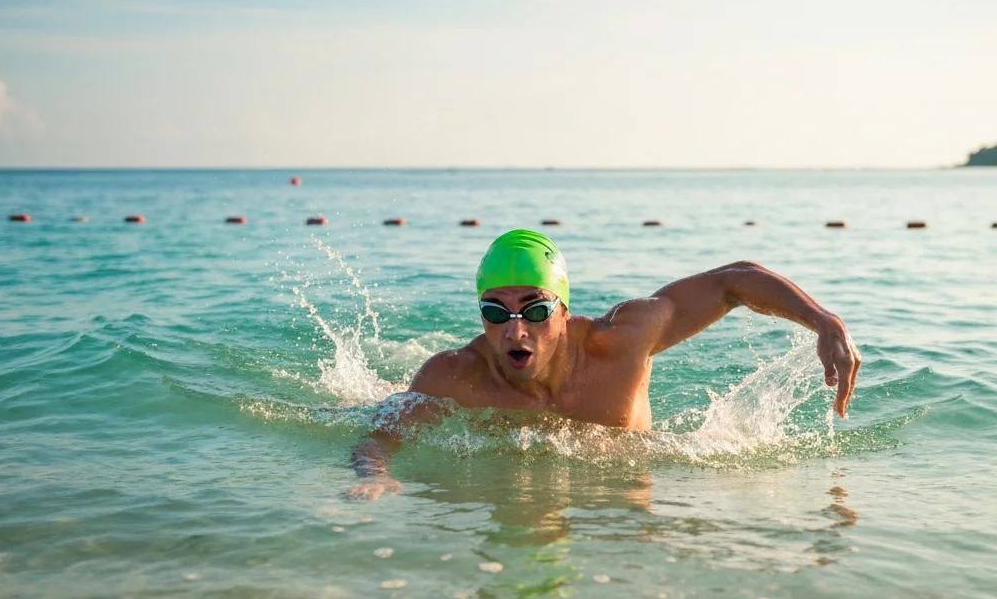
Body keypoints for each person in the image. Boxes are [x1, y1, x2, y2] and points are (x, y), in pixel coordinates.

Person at [348, 229, 861, 499]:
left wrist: (825, 321)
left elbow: (735, 280)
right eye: (494, 311)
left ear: (564, 313)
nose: (515, 329)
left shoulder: (621, 343)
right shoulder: (454, 376)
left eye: (535, 309)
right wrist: (375, 475)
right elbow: (381, 434)